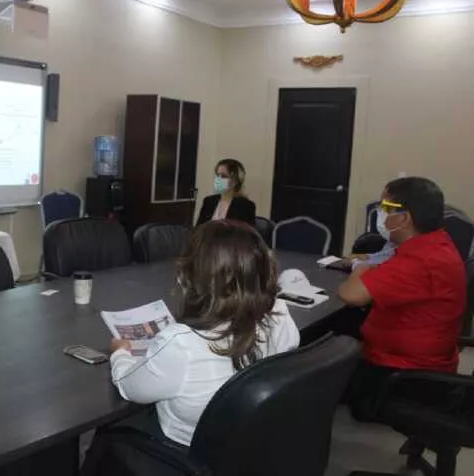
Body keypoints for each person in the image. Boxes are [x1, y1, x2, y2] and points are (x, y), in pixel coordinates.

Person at [98, 221, 300, 451]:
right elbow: (289, 348)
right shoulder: (279, 316)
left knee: (106, 435)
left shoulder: (182, 343)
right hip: (248, 443)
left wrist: (120, 353)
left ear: (190, 277)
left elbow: (129, 387)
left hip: (188, 451)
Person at [337, 177, 466, 421]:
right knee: (344, 327)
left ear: (405, 218)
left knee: (318, 372)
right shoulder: (436, 244)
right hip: (420, 360)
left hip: (405, 375)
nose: (382, 215)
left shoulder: (420, 260)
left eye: (386, 208)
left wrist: (361, 270)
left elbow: (350, 294)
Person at [196, 159, 256, 226]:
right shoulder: (208, 201)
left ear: (235, 180)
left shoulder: (245, 206)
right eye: (217, 175)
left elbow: (245, 231)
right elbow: (198, 228)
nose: (218, 179)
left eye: (223, 176)